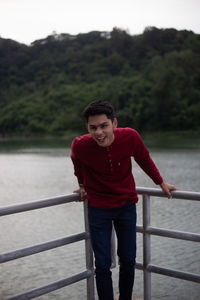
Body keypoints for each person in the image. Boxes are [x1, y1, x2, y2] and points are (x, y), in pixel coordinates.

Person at [71, 100, 176, 300]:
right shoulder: (81, 145)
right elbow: (76, 161)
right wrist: (82, 184)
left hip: (126, 205)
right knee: (102, 264)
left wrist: (160, 182)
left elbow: (144, 158)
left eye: (104, 126)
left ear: (114, 123)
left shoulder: (130, 137)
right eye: (93, 128)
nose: (99, 132)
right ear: (87, 128)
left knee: (128, 259)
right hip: (98, 207)